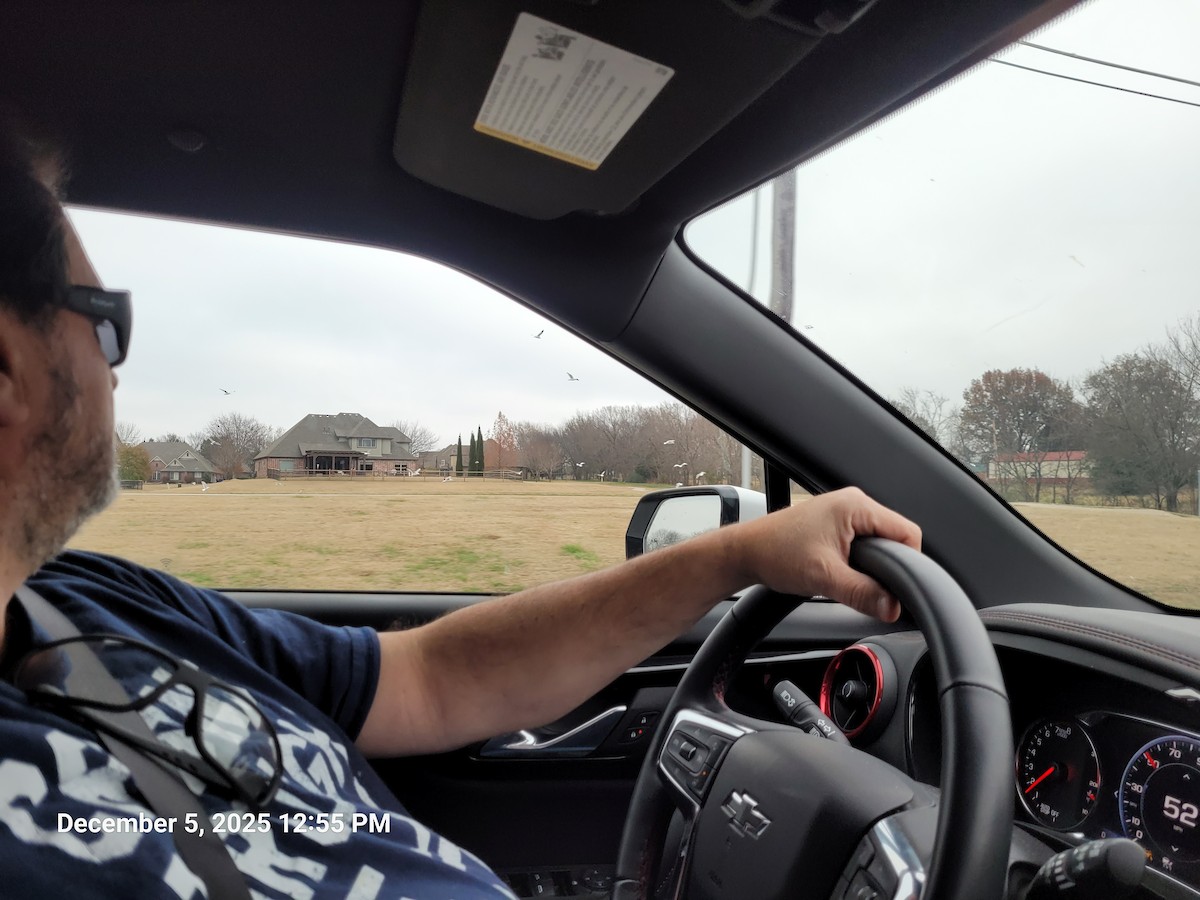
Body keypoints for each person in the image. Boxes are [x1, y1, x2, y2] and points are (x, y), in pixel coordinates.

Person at [0, 114, 921, 897]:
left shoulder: (94, 604)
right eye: (104, 318)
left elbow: (430, 678)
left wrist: (734, 554)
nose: (117, 364)